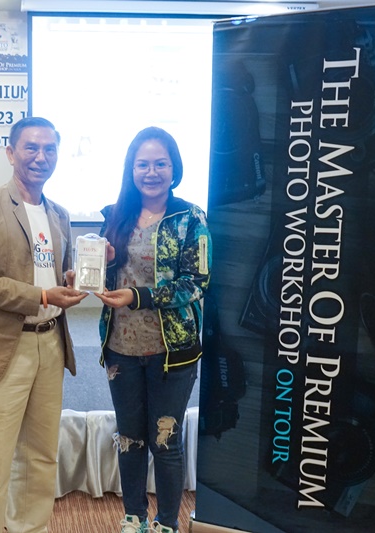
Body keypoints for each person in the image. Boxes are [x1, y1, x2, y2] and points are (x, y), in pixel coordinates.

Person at [0, 116, 88, 533]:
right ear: (11, 153)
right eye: (31, 147)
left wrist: (71, 283)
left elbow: (56, 276)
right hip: (4, 344)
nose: (41, 157)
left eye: (49, 149)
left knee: (41, 456)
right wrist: (42, 296)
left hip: (51, 343)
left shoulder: (59, 214)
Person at [95, 127, 211, 533]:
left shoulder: (190, 217)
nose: (151, 172)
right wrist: (98, 268)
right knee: (129, 438)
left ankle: (166, 523)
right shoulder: (115, 215)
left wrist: (137, 296)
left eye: (160, 163)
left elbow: (196, 283)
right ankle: (134, 517)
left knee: (165, 441)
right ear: (131, 170)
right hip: (120, 347)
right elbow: (104, 277)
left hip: (172, 352)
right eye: (142, 164)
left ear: (174, 168)